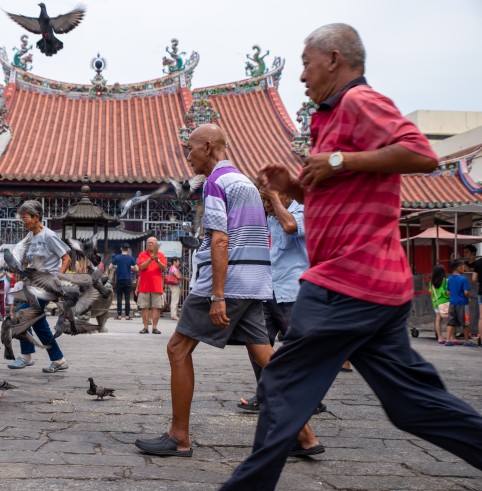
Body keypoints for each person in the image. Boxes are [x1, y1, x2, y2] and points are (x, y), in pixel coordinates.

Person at [220, 24, 482, 491]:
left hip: (347, 280)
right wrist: (293, 185)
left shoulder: (361, 101)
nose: (302, 76)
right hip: (378, 286)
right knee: (412, 405)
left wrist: (340, 160)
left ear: (334, 59)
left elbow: (421, 154)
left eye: (306, 63)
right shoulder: (328, 118)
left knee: (281, 384)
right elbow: (334, 197)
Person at [134, 123, 322, 460]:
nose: (187, 156)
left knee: (178, 349)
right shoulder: (244, 182)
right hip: (254, 282)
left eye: (190, 148)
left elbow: (220, 240)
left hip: (226, 281)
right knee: (264, 355)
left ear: (208, 147)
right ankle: (305, 435)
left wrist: (217, 295)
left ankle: (178, 436)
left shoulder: (216, 183)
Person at [238, 188, 327, 414]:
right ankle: (265, 394)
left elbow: (290, 227)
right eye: (264, 200)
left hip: (294, 292)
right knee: (256, 340)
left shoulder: (304, 212)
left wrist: (275, 199)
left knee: (298, 348)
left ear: (286, 196)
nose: (266, 205)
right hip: (269, 289)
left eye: (269, 200)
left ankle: (309, 398)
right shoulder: (269, 217)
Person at [7, 200, 71, 373]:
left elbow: (66, 258)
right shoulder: (30, 236)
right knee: (37, 322)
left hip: (45, 286)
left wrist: (57, 279)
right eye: (22, 218)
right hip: (32, 285)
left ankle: (27, 356)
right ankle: (57, 359)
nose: (23, 222)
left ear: (36, 217)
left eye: (25, 218)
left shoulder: (49, 235)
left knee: (22, 314)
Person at [136, 237, 167, 334]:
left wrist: (157, 261)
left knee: (156, 307)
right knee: (144, 307)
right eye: (148, 243)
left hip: (156, 286)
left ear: (156, 244)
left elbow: (164, 268)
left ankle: (155, 327)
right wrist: (150, 259)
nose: (150, 244)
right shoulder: (142, 254)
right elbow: (141, 267)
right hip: (144, 286)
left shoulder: (161, 255)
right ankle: (145, 327)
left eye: (152, 243)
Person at [446, 259, 474, 347]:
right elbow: (466, 292)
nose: (463, 269)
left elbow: (448, 292)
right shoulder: (463, 279)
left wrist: (454, 296)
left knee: (450, 322)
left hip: (452, 303)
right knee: (466, 322)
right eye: (462, 267)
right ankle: (466, 341)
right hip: (463, 303)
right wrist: (468, 298)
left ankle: (448, 340)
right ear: (458, 268)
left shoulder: (449, 279)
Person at [109, 242, 138, 320]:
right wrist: (130, 267)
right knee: (127, 298)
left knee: (119, 297)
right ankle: (127, 316)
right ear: (128, 249)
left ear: (121, 249)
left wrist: (116, 266)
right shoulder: (131, 258)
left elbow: (110, 267)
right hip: (128, 279)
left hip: (119, 279)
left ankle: (119, 316)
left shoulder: (116, 257)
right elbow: (137, 268)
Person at [429, 264, 449, 344]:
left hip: (436, 303)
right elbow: (448, 292)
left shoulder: (431, 283)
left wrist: (434, 303)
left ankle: (440, 337)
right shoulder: (446, 281)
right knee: (448, 319)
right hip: (445, 302)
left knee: (438, 319)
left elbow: (431, 294)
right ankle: (448, 337)